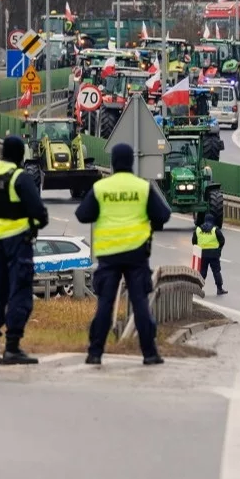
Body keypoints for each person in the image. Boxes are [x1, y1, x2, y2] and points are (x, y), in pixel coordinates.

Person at [76, 142, 172, 366]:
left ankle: (95, 353)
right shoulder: (142, 187)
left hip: (109, 255)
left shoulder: (102, 188)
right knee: (140, 303)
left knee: (105, 304)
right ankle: (149, 354)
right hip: (137, 254)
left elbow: (82, 214)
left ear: (113, 162)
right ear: (131, 162)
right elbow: (164, 215)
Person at [0, 135, 49, 366]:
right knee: (20, 292)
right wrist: (34, 226)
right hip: (18, 243)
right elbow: (39, 212)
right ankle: (12, 347)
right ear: (20, 155)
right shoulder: (20, 177)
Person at [191, 211, 227, 295]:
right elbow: (222, 240)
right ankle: (219, 289)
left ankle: (199, 288)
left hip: (202, 254)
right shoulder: (215, 229)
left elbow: (194, 241)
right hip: (214, 254)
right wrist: (219, 248)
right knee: (216, 272)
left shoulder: (198, 229)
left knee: (202, 272)